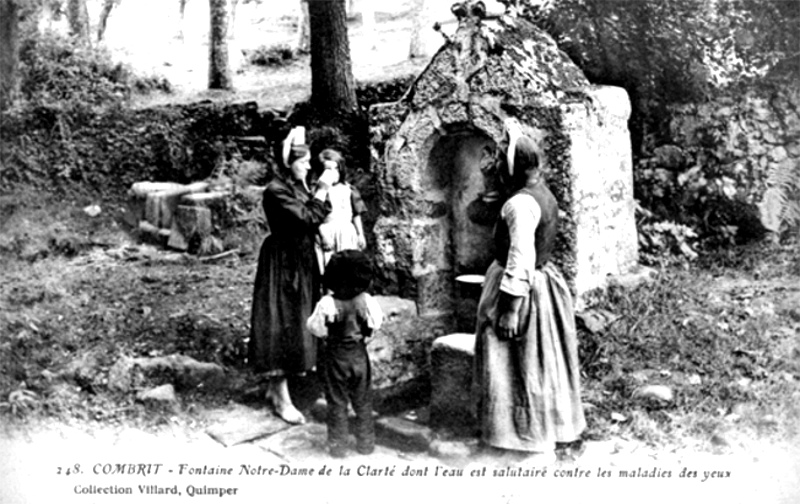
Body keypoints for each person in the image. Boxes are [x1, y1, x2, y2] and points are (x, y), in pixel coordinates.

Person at [474, 118, 586, 458]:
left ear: (510, 170)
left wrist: (509, 309)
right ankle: (547, 429)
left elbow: (520, 257)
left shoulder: (519, 204)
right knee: (541, 360)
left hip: (523, 292)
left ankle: (519, 436)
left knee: (516, 360)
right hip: (543, 283)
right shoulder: (541, 193)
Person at [249, 126, 337, 425]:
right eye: (304, 161)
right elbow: (306, 216)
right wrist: (322, 191)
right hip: (282, 261)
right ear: (290, 163)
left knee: (300, 319)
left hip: (301, 259)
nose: (310, 166)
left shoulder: (299, 187)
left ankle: (294, 387)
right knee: (280, 319)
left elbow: (318, 215)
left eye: (310, 161)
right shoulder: (276, 190)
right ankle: (279, 394)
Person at [306, 250, 383, 458]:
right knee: (363, 400)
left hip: (336, 357)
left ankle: (338, 446)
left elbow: (314, 327)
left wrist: (328, 335)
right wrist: (366, 336)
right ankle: (366, 443)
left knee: (337, 402)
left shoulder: (327, 304)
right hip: (359, 356)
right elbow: (376, 323)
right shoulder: (366, 301)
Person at [315, 148, 367, 273]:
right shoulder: (320, 191)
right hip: (329, 232)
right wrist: (323, 235)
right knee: (330, 266)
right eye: (328, 169)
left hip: (347, 232)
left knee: (349, 266)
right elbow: (315, 216)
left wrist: (361, 234)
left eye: (336, 168)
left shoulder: (349, 189)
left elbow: (356, 214)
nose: (333, 173)